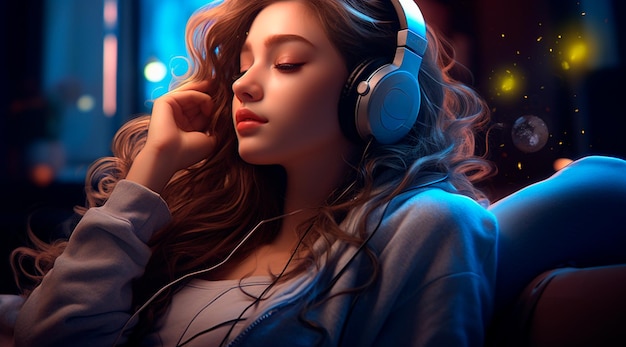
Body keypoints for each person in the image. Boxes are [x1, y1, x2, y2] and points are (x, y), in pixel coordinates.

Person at [7, 0, 498, 346]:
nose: (243, 84)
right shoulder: (219, 232)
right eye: (243, 64)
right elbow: (49, 335)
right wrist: (151, 170)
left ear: (380, 92)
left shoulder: (431, 224)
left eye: (286, 62)